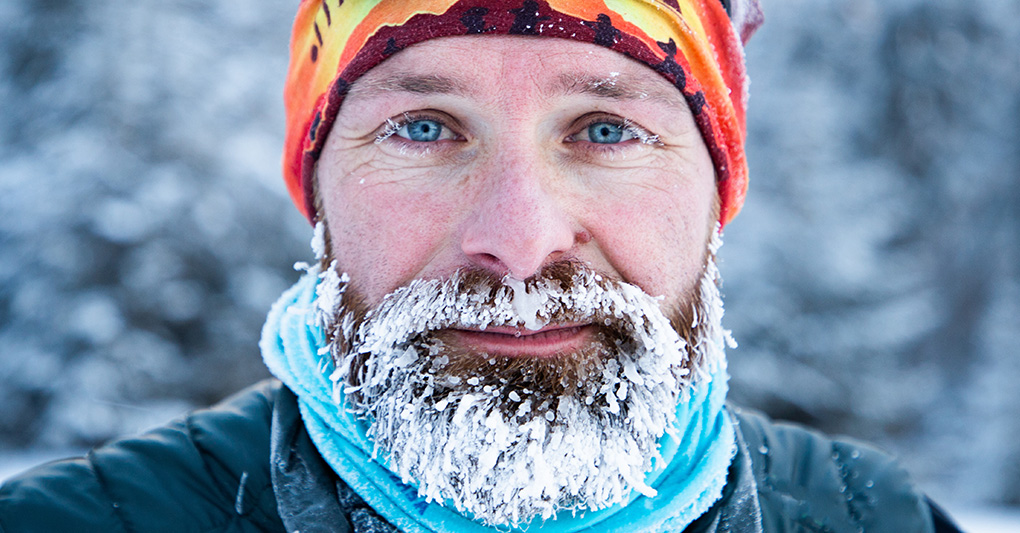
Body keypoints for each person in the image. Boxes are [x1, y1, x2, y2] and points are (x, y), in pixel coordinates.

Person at [0, 1, 962, 531]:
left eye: (605, 128)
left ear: (717, 192)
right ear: (319, 190)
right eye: (423, 128)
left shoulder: (876, 521)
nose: (519, 239)